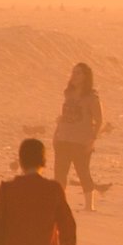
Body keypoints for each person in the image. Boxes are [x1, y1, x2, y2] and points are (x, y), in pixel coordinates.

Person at [51, 62, 103, 210]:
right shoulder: (68, 93)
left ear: (86, 76)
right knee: (60, 173)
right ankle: (59, 204)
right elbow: (63, 116)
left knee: (83, 172)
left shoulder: (92, 97)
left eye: (78, 73)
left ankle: (89, 206)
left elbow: (99, 120)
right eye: (73, 72)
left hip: (81, 141)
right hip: (63, 138)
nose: (74, 75)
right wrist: (56, 133)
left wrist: (92, 140)